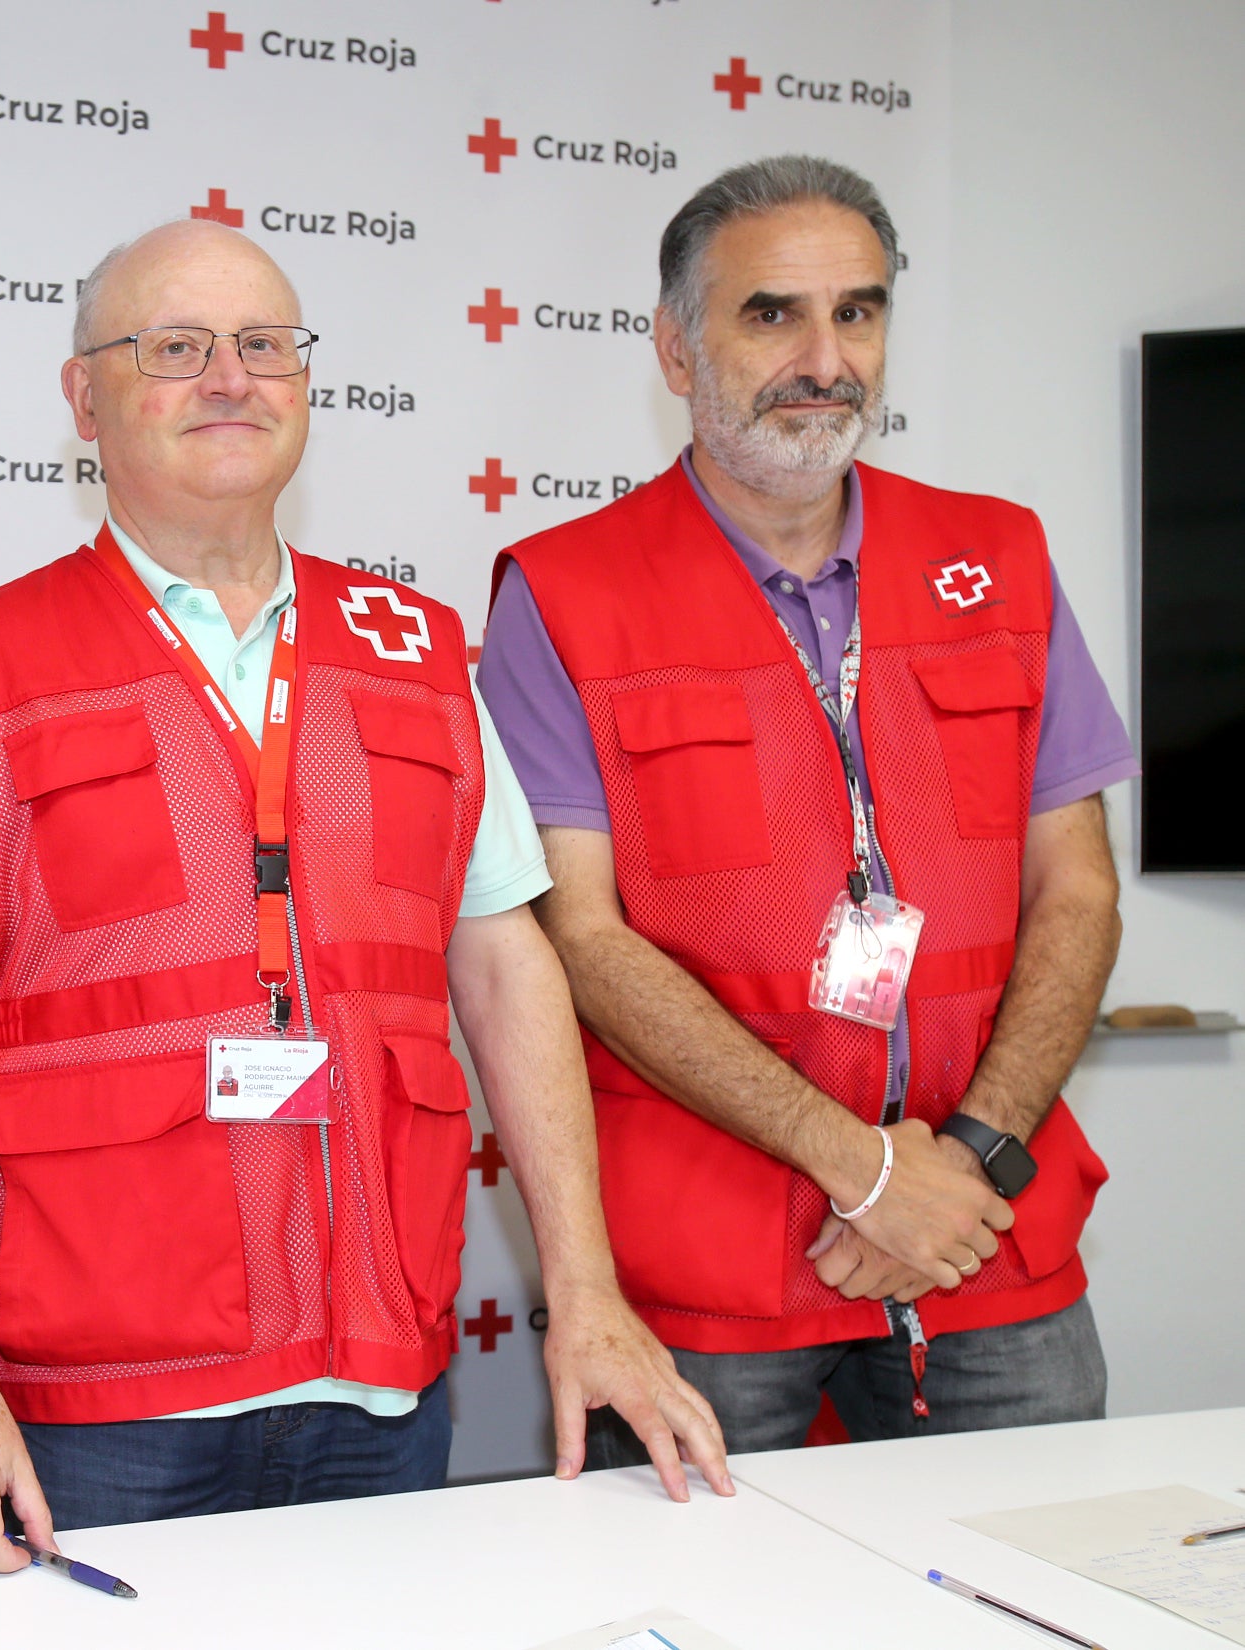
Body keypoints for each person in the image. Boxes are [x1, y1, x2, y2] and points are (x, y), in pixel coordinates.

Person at [0, 219, 729, 1576]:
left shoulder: (420, 652)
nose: (229, 379)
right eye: (175, 348)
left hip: (382, 1385)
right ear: (84, 398)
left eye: (264, 345)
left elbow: (508, 973)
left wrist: (588, 1295)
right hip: (101, 1409)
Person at [478, 157, 1130, 1462]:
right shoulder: (561, 594)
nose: (824, 357)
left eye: (860, 312)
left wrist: (968, 1163)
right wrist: (863, 1166)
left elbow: (1081, 891)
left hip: (984, 1235)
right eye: (771, 313)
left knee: (1032, 1592)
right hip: (706, 1271)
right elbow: (585, 944)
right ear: (676, 345)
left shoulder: (999, 557)